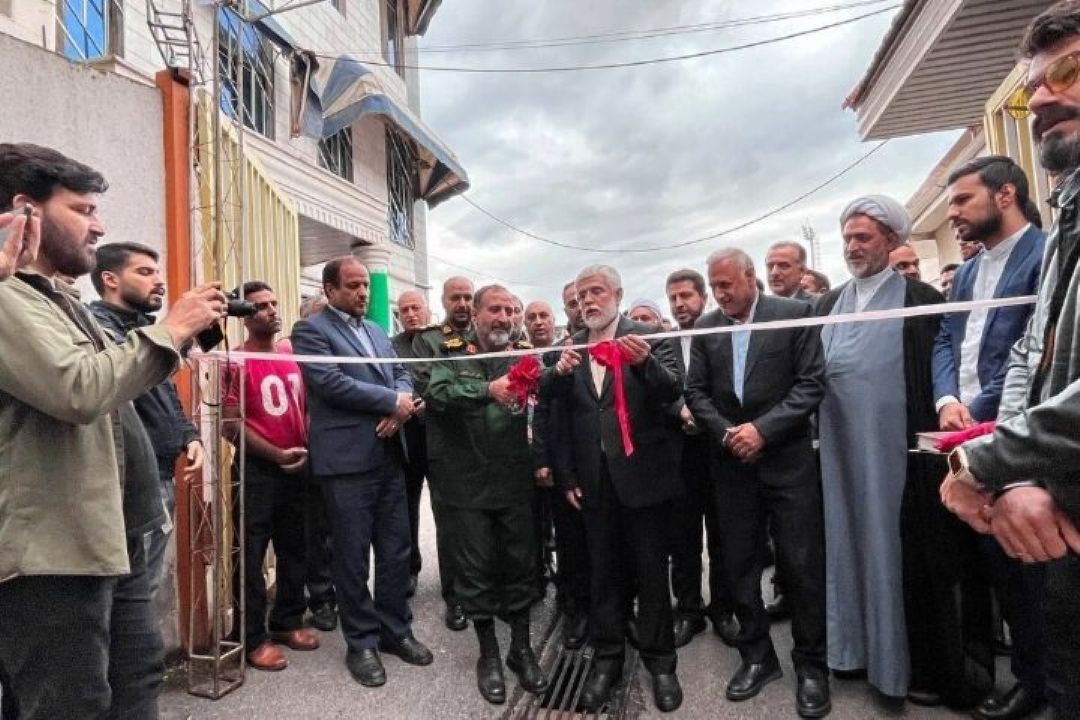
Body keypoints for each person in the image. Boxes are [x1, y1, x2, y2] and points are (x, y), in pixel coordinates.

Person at [0, 143, 225, 719]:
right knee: (70, 704)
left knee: (135, 676)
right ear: (25, 210)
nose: (98, 226)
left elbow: (121, 384)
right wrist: (172, 329)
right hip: (51, 557)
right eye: (82, 210)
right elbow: (80, 388)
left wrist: (179, 340)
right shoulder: (6, 297)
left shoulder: (57, 297)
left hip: (109, 540)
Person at [941, 6, 1080, 717]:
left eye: (1070, 72)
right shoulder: (1068, 222)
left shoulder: (1043, 240)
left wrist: (989, 457)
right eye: (1032, 90)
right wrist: (1014, 467)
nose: (1046, 97)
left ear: (1004, 193)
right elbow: (1034, 351)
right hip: (1046, 487)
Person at [684, 249, 829, 717]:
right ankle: (757, 657)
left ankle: (812, 666)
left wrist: (762, 430)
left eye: (727, 284)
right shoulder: (707, 327)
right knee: (740, 565)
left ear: (750, 277)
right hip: (731, 467)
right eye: (714, 286)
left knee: (801, 565)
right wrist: (728, 433)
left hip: (787, 463)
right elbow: (695, 392)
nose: (720, 294)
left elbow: (810, 384)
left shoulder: (795, 314)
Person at [815, 195, 944, 701]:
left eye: (863, 237)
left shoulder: (921, 299)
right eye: (847, 238)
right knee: (843, 542)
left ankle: (897, 666)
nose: (852, 246)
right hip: (837, 452)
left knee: (893, 548)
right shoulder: (827, 304)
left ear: (891, 240)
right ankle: (850, 652)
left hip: (895, 454)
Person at [932, 156, 1047, 718]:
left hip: (1024, 435)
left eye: (962, 200)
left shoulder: (1046, 257)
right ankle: (1008, 672)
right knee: (990, 564)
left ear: (1005, 195)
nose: (953, 213)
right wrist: (946, 399)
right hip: (966, 436)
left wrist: (975, 408)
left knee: (1032, 568)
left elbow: (1034, 349)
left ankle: (1041, 682)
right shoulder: (969, 271)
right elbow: (945, 340)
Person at [545, 264, 684, 713]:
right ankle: (607, 660)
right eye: (581, 294)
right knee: (603, 574)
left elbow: (673, 392)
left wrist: (644, 362)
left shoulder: (649, 337)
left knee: (651, 574)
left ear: (618, 295)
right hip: (594, 483)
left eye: (596, 291)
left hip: (645, 479)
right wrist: (568, 476)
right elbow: (559, 419)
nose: (587, 300)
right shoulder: (569, 349)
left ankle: (661, 663)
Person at [291, 257, 432, 687]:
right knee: (352, 556)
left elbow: (400, 373)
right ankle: (362, 642)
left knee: (396, 550)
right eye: (353, 286)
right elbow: (330, 382)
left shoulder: (375, 330)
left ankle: (395, 631)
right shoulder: (311, 331)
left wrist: (401, 405)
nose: (363, 293)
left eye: (365, 286)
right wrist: (390, 402)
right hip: (346, 462)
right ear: (330, 289)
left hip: (389, 455)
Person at [424, 285, 547, 704]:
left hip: (514, 483)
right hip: (467, 486)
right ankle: (489, 654)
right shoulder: (452, 355)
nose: (505, 318)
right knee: (475, 572)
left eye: (511, 311)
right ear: (475, 313)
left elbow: (546, 402)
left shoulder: (523, 356)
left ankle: (521, 650)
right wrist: (485, 390)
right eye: (495, 309)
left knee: (520, 567)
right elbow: (436, 394)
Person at [88, 243, 204, 598]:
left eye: (157, 272)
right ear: (110, 279)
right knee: (124, 595)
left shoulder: (144, 331)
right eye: (144, 272)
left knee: (144, 591)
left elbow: (162, 393)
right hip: (127, 481)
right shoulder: (98, 329)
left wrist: (188, 434)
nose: (159, 281)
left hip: (161, 474)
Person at [222, 281, 320, 671]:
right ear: (245, 316)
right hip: (257, 470)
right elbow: (230, 424)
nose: (272, 310)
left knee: (296, 548)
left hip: (298, 467)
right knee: (250, 555)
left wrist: (304, 445)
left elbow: (306, 405)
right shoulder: (234, 360)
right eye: (261, 306)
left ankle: (287, 622)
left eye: (274, 303)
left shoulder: (291, 354)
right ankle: (251, 637)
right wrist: (276, 454)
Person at [664, 268, 736, 649]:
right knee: (683, 537)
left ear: (703, 298)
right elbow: (656, 389)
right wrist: (679, 410)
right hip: (679, 455)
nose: (680, 304)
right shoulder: (662, 342)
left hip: (719, 450)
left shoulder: (722, 335)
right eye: (673, 298)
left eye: (686, 296)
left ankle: (723, 609)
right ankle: (689, 610)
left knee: (723, 534)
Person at [411, 276, 475, 632]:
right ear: (444, 301)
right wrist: (481, 391)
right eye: (456, 297)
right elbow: (429, 388)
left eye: (468, 297)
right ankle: (457, 598)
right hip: (448, 448)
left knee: (483, 523)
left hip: (485, 446)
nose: (463, 303)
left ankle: (484, 589)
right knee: (452, 527)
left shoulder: (486, 334)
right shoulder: (428, 340)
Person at [392, 289, 432, 599]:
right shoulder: (392, 346)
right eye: (404, 310)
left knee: (449, 510)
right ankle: (409, 569)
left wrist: (430, 403)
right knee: (406, 507)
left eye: (415, 308)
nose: (410, 314)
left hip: (441, 433)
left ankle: (457, 581)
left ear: (427, 310)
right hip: (407, 437)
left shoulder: (442, 340)